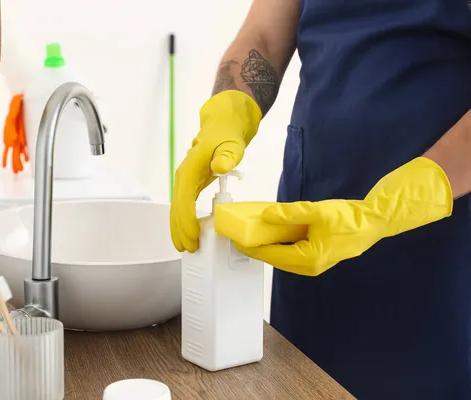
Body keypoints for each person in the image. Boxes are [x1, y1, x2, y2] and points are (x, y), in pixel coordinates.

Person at [169, 0, 471, 398]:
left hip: (440, 240)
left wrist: (398, 203)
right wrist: (230, 108)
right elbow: (263, 32)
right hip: (310, 220)